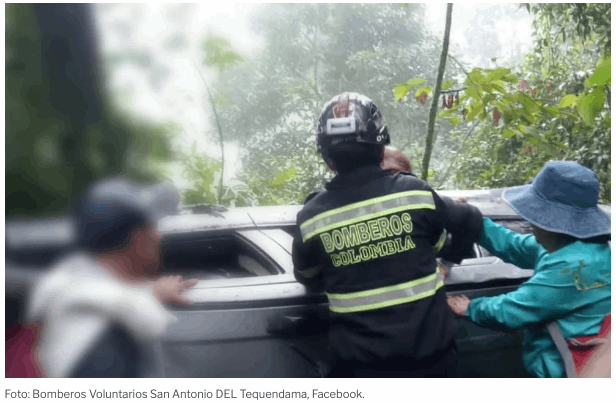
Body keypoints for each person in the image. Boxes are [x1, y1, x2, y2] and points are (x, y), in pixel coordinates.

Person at [292, 92, 483, 377]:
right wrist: (449, 259)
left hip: (362, 372)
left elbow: (308, 278)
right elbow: (471, 218)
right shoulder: (414, 193)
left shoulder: (311, 219)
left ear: (328, 159)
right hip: (434, 367)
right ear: (381, 149)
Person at [447, 160, 611, 378]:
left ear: (552, 223)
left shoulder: (572, 267)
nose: (531, 226)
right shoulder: (576, 246)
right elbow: (514, 245)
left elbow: (514, 309)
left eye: (535, 220)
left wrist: (470, 308)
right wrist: (476, 222)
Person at [27, 177, 198, 377]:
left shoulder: (67, 287)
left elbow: (99, 293)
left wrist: (149, 292)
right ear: (138, 238)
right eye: (153, 227)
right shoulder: (109, 345)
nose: (158, 237)